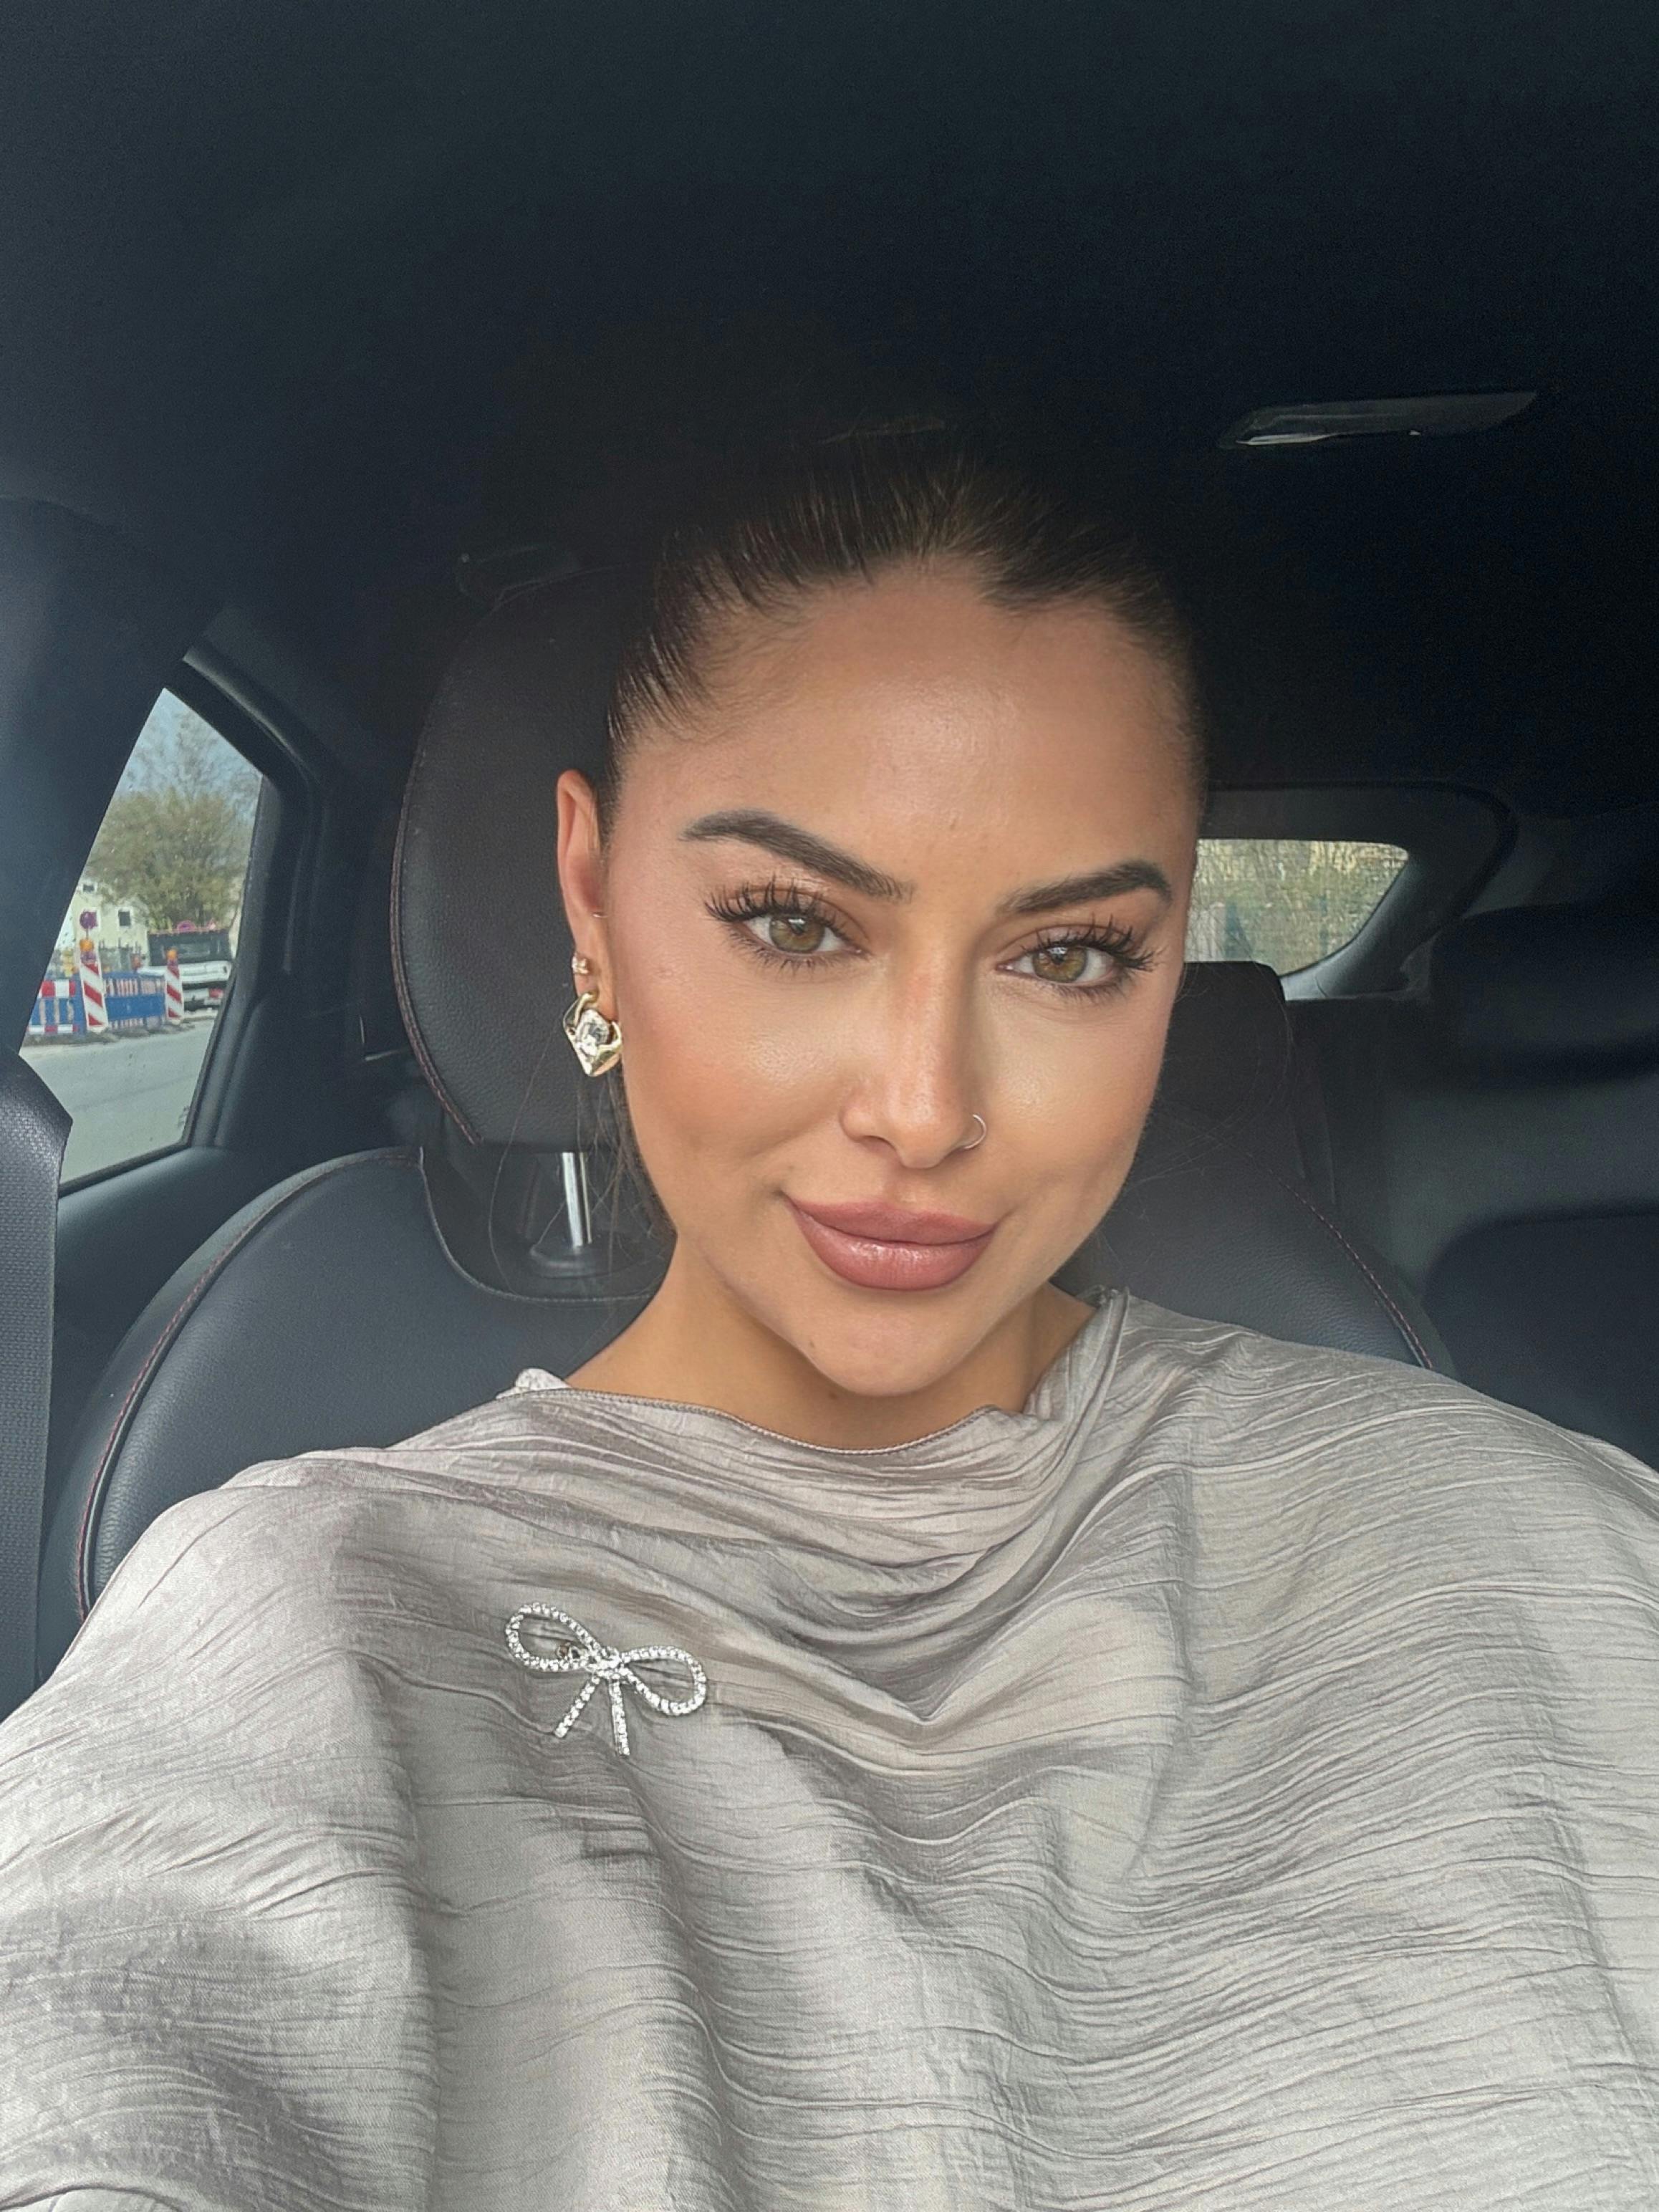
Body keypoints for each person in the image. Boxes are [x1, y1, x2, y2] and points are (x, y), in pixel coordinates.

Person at [2, 427, 1658, 2211]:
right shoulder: (302, 1621)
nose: (924, 1110)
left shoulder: (1513, 1527)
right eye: (794, 924)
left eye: (1071, 953)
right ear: (590, 899)